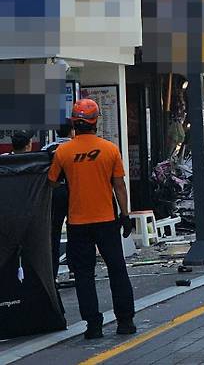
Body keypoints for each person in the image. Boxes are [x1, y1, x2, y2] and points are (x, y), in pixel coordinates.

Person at [48, 99, 136, 339]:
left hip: (77, 223)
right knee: (117, 269)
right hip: (107, 220)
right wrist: (125, 215)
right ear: (96, 121)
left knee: (84, 274)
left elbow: (53, 182)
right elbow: (119, 185)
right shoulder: (110, 149)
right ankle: (125, 321)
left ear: (74, 122)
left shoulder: (63, 152)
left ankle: (93, 325)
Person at [43, 121, 75, 281]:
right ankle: (74, 269)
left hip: (53, 192)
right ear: (72, 130)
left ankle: (52, 273)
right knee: (74, 229)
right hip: (73, 192)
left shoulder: (47, 149)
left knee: (53, 232)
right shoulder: (75, 147)